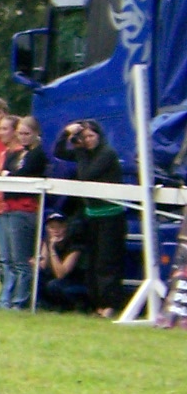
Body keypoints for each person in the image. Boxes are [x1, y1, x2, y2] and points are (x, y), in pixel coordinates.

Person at [69, 119, 127, 315]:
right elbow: (58, 152)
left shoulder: (107, 153)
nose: (87, 141)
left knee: (106, 262)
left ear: (99, 136)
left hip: (110, 217)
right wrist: (66, 134)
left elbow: (86, 175)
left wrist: (79, 151)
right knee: (92, 261)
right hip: (92, 215)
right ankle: (97, 304)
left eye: (90, 136)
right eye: (84, 137)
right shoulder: (86, 153)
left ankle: (109, 305)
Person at [0, 114, 45, 310]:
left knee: (21, 260)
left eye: (26, 134)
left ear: (35, 134)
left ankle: (19, 300)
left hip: (24, 209)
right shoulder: (16, 155)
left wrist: (8, 174)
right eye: (20, 133)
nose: (22, 137)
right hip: (8, 207)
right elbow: (7, 171)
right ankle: (7, 298)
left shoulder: (37, 154)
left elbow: (25, 174)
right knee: (8, 259)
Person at [38, 213, 87, 311]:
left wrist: (52, 250)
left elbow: (61, 274)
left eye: (59, 227)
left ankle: (69, 306)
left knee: (53, 285)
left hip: (73, 281)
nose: (56, 231)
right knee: (37, 277)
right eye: (52, 227)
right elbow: (42, 265)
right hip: (56, 280)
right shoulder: (47, 241)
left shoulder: (74, 246)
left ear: (66, 227)